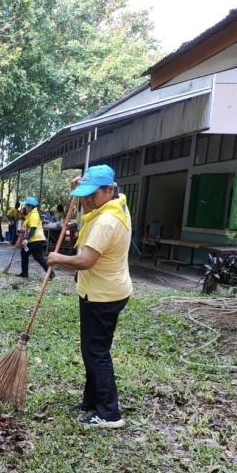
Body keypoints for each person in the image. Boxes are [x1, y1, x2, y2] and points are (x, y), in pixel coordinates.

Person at [48, 165, 132, 429]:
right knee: (91, 350)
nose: (87, 201)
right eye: (84, 196)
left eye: (92, 195)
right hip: (100, 291)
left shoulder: (107, 221)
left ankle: (110, 413)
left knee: (97, 353)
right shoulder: (113, 206)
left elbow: (86, 260)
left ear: (110, 189)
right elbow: (91, 214)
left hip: (103, 295)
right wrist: (80, 191)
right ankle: (92, 401)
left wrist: (57, 258)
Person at [17, 197, 52, 279]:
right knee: (24, 253)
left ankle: (51, 274)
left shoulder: (33, 215)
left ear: (29, 207)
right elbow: (28, 226)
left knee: (38, 257)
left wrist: (26, 239)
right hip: (34, 239)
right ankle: (24, 273)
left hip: (36, 239)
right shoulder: (31, 214)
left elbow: (33, 228)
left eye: (26, 206)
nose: (25, 207)